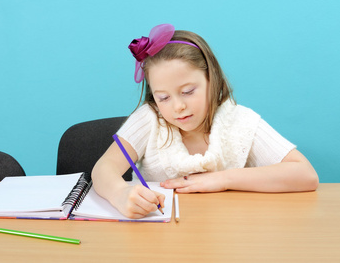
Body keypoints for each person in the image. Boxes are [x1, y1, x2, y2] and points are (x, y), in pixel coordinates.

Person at [91, 24, 319, 219]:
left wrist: (223, 179)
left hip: (229, 236)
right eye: (163, 97)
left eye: (188, 91)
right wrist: (120, 193)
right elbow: (104, 168)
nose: (178, 106)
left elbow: (305, 175)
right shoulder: (150, 120)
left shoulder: (240, 121)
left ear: (212, 79)